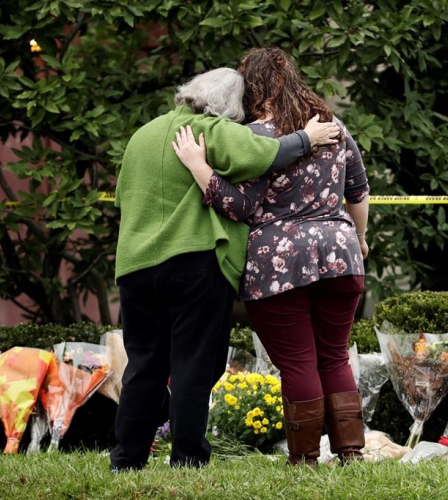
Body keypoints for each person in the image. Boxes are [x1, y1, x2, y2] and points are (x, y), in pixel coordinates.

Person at [110, 67, 341, 472]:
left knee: (143, 364)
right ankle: (186, 459)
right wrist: (310, 137)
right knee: (193, 366)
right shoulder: (213, 130)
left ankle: (127, 459)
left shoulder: (141, 136)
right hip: (193, 263)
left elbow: (121, 199)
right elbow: (266, 152)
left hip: (136, 266)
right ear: (230, 107)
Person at [173, 48, 370, 465]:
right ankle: (350, 451)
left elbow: (237, 204)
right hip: (340, 253)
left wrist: (198, 167)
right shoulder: (334, 127)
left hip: (279, 265)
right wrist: (361, 238)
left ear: (253, 90)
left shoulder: (257, 137)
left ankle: (304, 458)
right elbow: (359, 190)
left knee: (298, 360)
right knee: (334, 354)